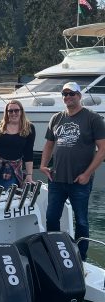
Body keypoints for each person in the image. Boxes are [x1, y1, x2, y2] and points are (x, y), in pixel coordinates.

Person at [40, 82, 105, 261]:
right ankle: (54, 253)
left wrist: (87, 174)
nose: (68, 97)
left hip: (80, 181)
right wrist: (43, 165)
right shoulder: (56, 118)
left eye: (72, 93)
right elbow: (49, 144)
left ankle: (80, 257)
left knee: (82, 221)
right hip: (56, 179)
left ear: (79, 96)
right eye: (65, 93)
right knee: (52, 218)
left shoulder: (92, 118)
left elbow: (103, 148)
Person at [0, 100, 36, 189]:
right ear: (6, 112)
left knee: (6, 197)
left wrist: (29, 175)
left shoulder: (29, 128)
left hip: (12, 170)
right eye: (10, 111)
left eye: (16, 110)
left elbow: (28, 152)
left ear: (21, 111)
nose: (13, 113)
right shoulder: (1, 125)